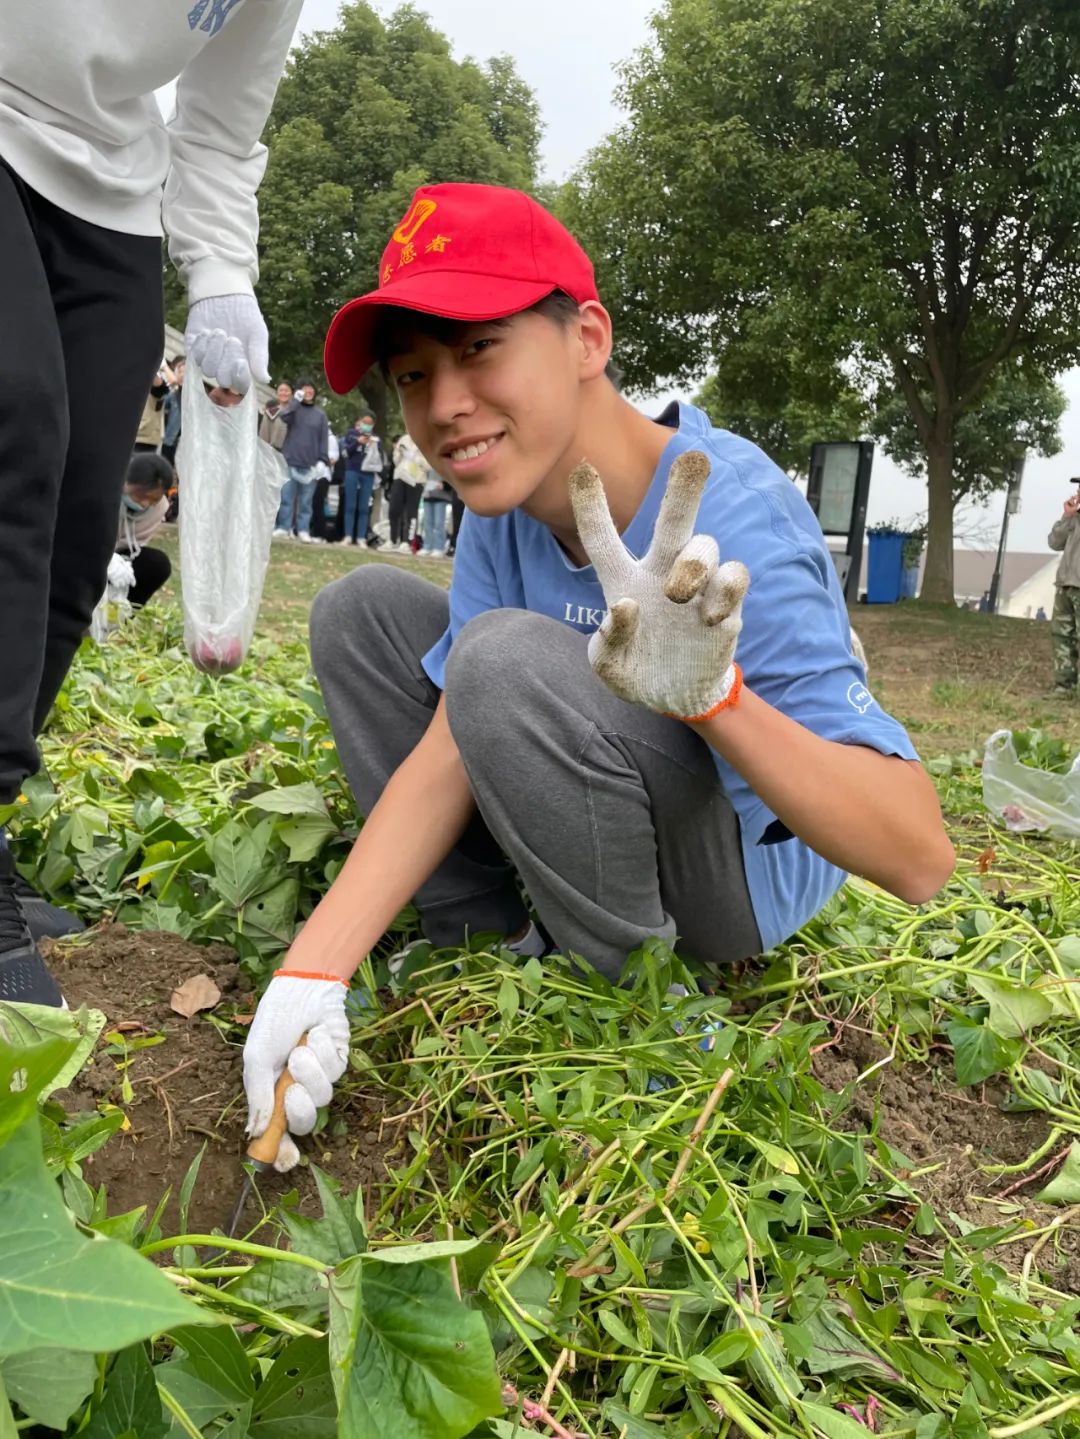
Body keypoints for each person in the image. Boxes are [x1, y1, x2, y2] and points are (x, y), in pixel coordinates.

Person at [240, 181, 956, 1168]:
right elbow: (452, 738)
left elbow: (919, 853)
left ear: (586, 338)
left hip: (733, 877)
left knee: (499, 657)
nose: (445, 405)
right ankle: (476, 937)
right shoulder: (509, 498)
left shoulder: (736, 513)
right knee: (360, 612)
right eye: (413, 374)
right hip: (598, 773)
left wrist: (717, 700)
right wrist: (312, 971)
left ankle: (642, 1002)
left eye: (480, 347)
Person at [0, 1, 301, 1004]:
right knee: (18, 423)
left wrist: (221, 275)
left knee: (83, 524)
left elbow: (218, 126)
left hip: (114, 192)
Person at [273, 380, 331, 542]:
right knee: (286, 498)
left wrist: (322, 460)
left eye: (311, 389)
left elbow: (323, 439)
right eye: (305, 389)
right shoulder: (293, 409)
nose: (308, 391)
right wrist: (294, 402)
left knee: (306, 502)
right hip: (290, 460)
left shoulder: (320, 415)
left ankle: (303, 529)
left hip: (310, 464)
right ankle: (284, 527)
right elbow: (284, 417)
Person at [116, 454, 173, 608]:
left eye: (153, 499)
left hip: (121, 556)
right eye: (141, 496)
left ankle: (122, 615)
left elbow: (135, 544)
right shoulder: (108, 492)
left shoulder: (160, 508)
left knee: (157, 564)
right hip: (88, 554)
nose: (145, 503)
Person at [1048, 485, 1080, 697]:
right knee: (1062, 636)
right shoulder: (1074, 517)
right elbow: (1054, 542)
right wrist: (1067, 517)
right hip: (1066, 583)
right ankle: (1064, 686)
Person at [341, 412, 385, 547]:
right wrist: (357, 442)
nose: (366, 425)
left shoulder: (376, 439)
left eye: (369, 423)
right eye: (364, 422)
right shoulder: (351, 434)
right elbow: (345, 453)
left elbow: (379, 459)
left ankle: (361, 537)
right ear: (360, 421)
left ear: (373, 425)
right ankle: (348, 535)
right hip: (352, 471)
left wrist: (372, 444)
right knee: (350, 505)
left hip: (368, 474)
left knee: (364, 507)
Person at [389, 433, 426, 552]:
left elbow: (429, 465)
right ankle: (393, 539)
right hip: (400, 476)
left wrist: (415, 459)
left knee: (411, 512)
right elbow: (395, 459)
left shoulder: (426, 439)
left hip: (416, 480)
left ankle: (408, 542)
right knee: (394, 509)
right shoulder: (403, 439)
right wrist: (400, 454)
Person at [134, 361, 174, 453]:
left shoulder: (158, 386)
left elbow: (160, 385)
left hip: (144, 438)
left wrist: (156, 363)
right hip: (132, 434)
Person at [418, 465, 453, 557]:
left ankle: (439, 547)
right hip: (427, 495)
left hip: (440, 496)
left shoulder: (443, 463)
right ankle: (427, 546)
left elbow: (451, 477)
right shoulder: (426, 463)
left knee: (439, 523)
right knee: (427, 523)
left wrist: (444, 484)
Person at [161, 355, 185, 469]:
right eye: (180, 372)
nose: (183, 375)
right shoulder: (171, 395)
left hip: (183, 447)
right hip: (168, 443)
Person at [260, 382, 293, 452]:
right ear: (277, 393)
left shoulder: (296, 413)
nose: (283, 393)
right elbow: (263, 437)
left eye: (286, 391)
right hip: (272, 453)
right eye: (281, 390)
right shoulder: (270, 413)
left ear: (291, 393)